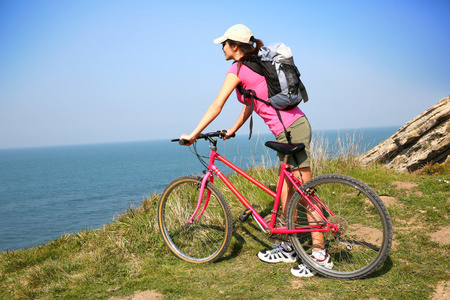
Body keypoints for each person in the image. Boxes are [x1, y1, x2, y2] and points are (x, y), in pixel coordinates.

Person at [180, 24, 332, 277]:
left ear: (235, 46)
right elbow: (252, 101)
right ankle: (289, 246)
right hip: (290, 128)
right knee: (284, 193)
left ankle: (319, 254)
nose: (222, 48)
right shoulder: (256, 65)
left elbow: (217, 104)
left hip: (292, 129)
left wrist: (193, 133)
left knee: (306, 194)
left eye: (224, 44)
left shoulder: (237, 69)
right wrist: (233, 127)